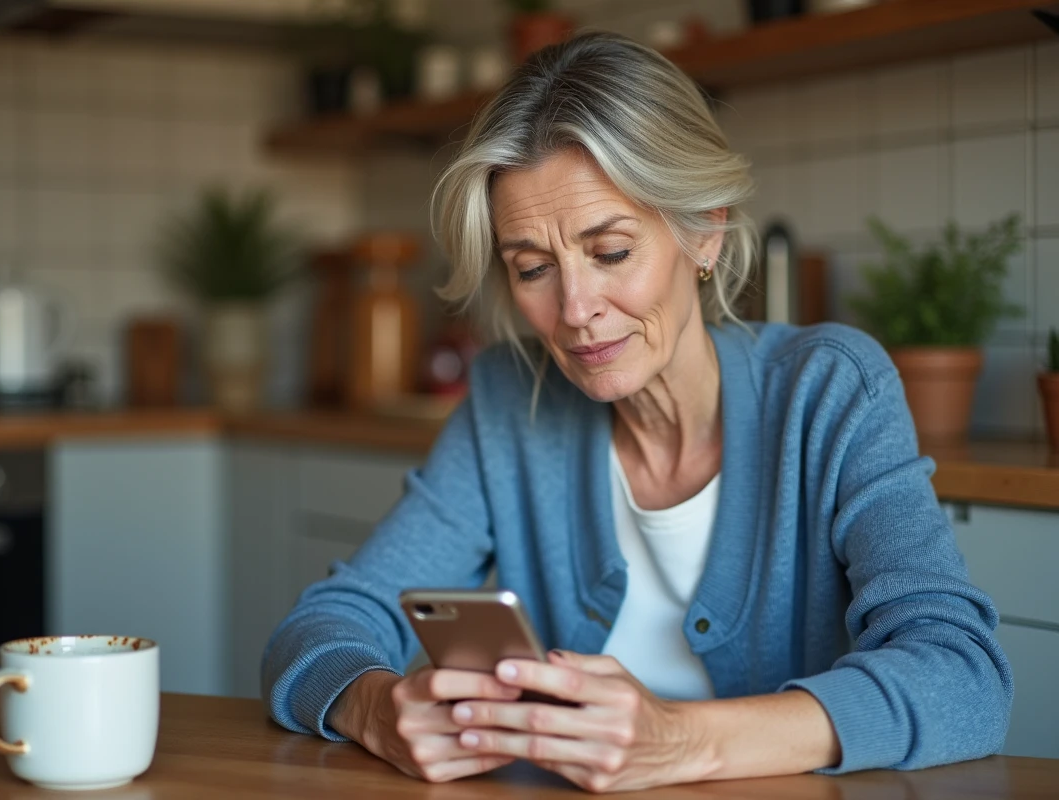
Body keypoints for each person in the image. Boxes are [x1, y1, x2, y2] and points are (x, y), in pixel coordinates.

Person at [262, 32, 1012, 792]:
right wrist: (375, 708)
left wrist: (684, 742)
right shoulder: (506, 404)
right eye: (533, 268)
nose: (577, 309)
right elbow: (320, 627)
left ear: (705, 231)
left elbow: (963, 677)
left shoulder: (830, 390)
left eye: (611, 253)